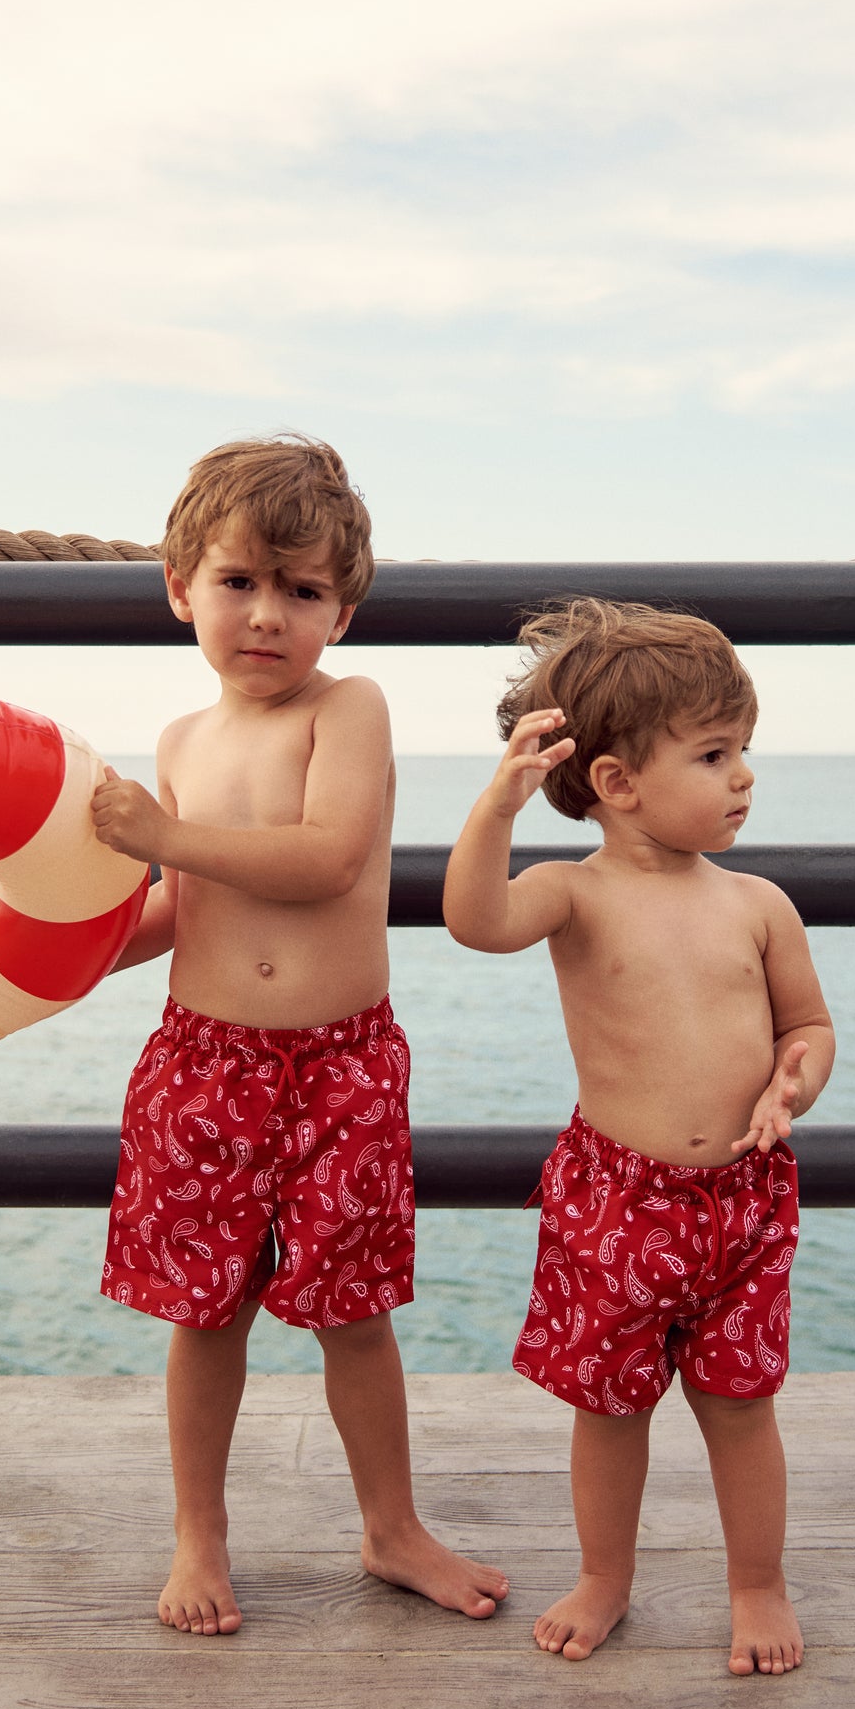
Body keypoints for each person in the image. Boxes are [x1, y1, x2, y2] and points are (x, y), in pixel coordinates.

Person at [92, 435, 510, 1637]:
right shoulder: (180, 743)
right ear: (181, 587)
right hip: (202, 1055)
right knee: (204, 1309)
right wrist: (64, 958)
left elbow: (324, 856)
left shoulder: (351, 707)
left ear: (343, 606)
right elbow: (181, 905)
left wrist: (157, 839)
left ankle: (390, 1526)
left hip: (337, 1060)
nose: (266, 614)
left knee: (352, 1307)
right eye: (237, 582)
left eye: (302, 589)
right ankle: (199, 1530)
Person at [443, 598, 834, 1675]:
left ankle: (756, 1581)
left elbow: (805, 1024)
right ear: (616, 782)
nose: (743, 774)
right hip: (614, 1199)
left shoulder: (758, 904)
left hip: (743, 1202)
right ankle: (603, 1575)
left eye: (743, 748)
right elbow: (474, 921)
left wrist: (792, 1080)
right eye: (714, 753)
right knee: (607, 1410)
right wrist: (495, 809)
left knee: (740, 1406)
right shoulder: (573, 892)